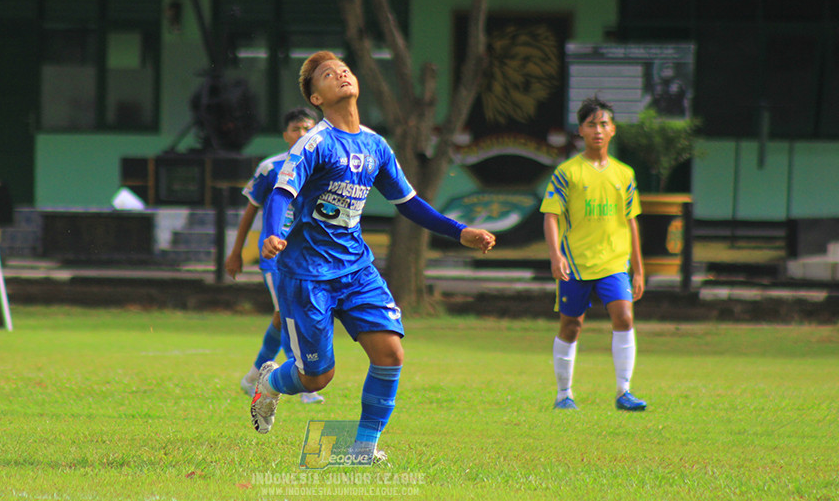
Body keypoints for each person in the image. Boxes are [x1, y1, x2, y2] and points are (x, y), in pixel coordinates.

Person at [249, 51, 496, 463]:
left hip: (356, 269)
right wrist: (273, 233)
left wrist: (460, 232)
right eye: (328, 74)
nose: (341, 74)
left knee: (390, 353)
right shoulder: (315, 143)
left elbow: (408, 202)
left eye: (344, 69)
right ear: (316, 98)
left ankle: (363, 448)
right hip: (307, 275)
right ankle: (271, 384)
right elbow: (281, 192)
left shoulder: (375, 145)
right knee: (317, 378)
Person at [540, 95, 647, 412]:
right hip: (575, 263)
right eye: (591, 124)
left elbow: (631, 221)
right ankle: (564, 395)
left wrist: (638, 269)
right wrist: (555, 255)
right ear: (581, 131)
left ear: (613, 129)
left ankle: (624, 392)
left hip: (614, 262)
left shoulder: (624, 174)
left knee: (624, 317)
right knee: (571, 326)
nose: (598, 130)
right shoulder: (567, 173)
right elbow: (550, 216)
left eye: (603, 124)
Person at [226, 106, 325, 405]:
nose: (302, 133)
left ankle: (252, 376)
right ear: (285, 135)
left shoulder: (323, 166)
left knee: (284, 316)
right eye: (296, 129)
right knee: (289, 312)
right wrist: (236, 252)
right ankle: (306, 385)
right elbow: (250, 210)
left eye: (308, 128)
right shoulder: (270, 168)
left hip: (307, 253)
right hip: (275, 254)